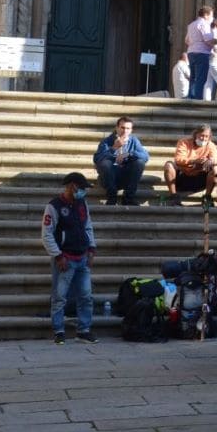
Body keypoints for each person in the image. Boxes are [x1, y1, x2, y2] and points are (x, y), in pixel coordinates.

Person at [43, 171, 97, 345]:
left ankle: (84, 330)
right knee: (59, 297)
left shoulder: (82, 203)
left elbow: (87, 226)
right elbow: (47, 234)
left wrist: (91, 248)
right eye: (82, 188)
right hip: (64, 258)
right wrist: (58, 256)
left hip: (82, 256)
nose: (84, 191)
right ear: (72, 186)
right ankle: (59, 330)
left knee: (86, 296)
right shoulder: (54, 206)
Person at [92, 116, 151, 206]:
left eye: (128, 128)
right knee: (105, 163)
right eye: (122, 127)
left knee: (139, 162)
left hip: (126, 177)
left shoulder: (134, 141)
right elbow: (97, 159)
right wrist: (114, 148)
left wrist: (129, 154)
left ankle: (128, 198)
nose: (125, 131)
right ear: (117, 128)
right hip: (109, 177)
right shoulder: (106, 141)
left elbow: (146, 156)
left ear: (131, 130)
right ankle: (112, 198)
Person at [163, 125, 217, 204]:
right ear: (195, 134)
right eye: (201, 135)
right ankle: (173, 195)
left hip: (200, 179)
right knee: (168, 165)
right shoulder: (184, 142)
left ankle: (207, 196)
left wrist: (210, 161)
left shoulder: (210, 145)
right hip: (182, 177)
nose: (204, 138)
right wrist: (193, 161)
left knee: (216, 168)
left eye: (206, 136)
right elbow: (178, 159)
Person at [183, 6, 217, 100]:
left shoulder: (191, 25)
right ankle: (197, 99)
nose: (212, 18)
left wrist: (195, 43)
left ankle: (191, 97)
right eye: (211, 16)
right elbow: (208, 40)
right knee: (201, 78)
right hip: (201, 53)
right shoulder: (204, 24)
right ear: (206, 15)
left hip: (191, 52)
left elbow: (186, 40)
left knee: (193, 77)